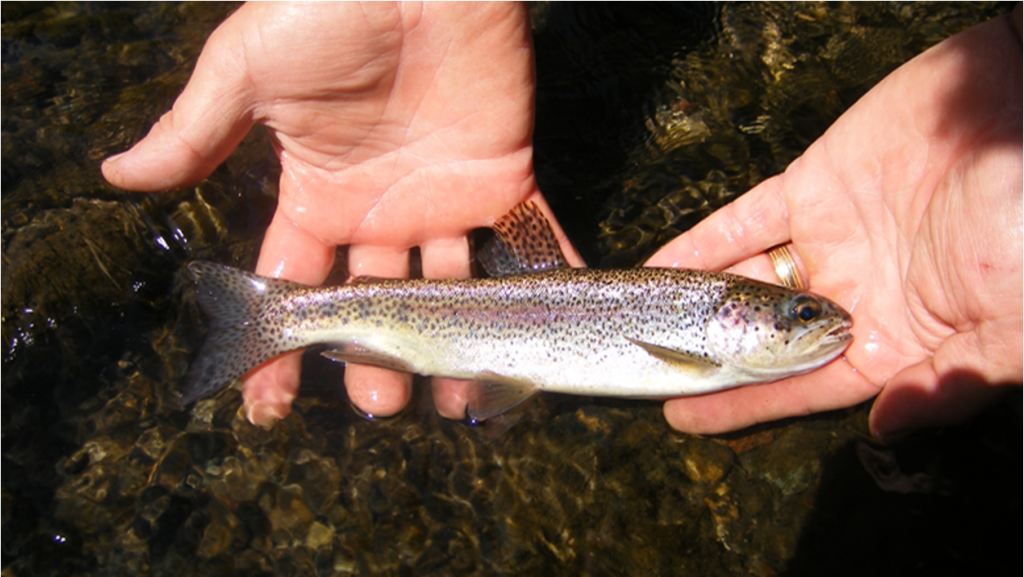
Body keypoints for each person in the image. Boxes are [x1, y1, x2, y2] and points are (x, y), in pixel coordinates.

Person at [103, 2, 1021, 443]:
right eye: (792, 314)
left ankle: (277, 315)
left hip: (482, 321)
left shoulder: (712, 333)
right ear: (730, 321)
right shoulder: (700, 335)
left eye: (792, 315)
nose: (809, 320)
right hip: (474, 318)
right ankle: (276, 315)